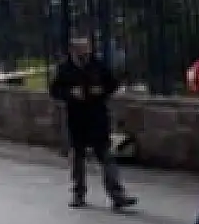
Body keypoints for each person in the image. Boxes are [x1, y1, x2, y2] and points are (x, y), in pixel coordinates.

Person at [49, 36, 137, 210]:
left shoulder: (98, 65)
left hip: (97, 117)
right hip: (76, 118)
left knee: (106, 156)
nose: (85, 52)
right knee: (78, 157)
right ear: (73, 50)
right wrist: (70, 93)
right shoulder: (64, 69)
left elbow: (112, 84)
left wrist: (102, 90)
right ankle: (78, 193)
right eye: (80, 49)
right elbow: (54, 90)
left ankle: (117, 195)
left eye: (87, 48)